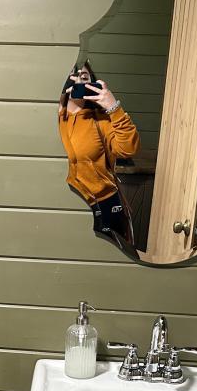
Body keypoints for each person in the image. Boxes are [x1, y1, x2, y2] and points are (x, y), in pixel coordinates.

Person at [58, 61, 140, 257]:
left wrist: (113, 106)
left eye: (84, 78)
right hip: (63, 203)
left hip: (104, 203)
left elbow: (128, 149)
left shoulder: (100, 119)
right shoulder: (52, 119)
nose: (78, 81)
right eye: (72, 76)